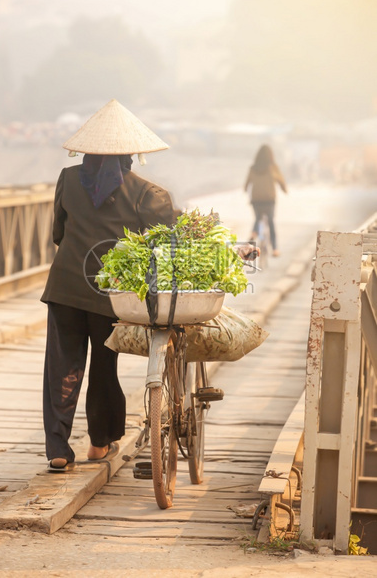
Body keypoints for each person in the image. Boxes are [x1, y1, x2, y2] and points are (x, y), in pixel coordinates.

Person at [41, 98, 257, 472]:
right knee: (104, 366)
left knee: (63, 366)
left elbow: (58, 233)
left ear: (88, 149)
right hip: (110, 295)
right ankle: (99, 443)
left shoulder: (68, 179)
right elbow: (170, 244)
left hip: (64, 288)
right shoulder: (148, 194)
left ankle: (58, 449)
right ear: (131, 154)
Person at [244, 144, 287, 257]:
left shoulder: (253, 168)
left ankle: (254, 232)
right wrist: (284, 189)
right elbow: (280, 180)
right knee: (271, 221)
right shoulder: (273, 167)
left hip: (256, 199)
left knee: (258, 218)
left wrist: (245, 189)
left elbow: (247, 182)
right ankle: (275, 249)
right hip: (269, 199)